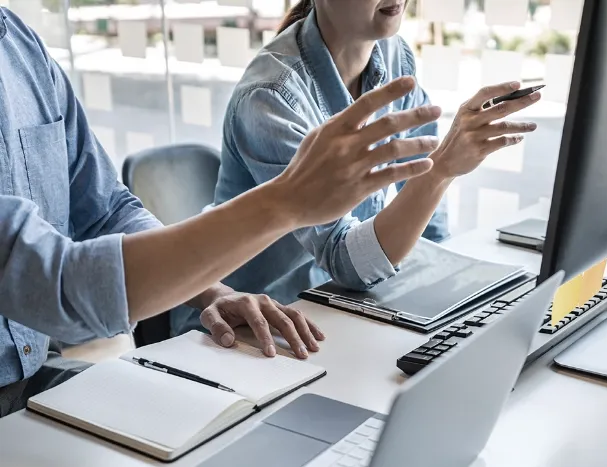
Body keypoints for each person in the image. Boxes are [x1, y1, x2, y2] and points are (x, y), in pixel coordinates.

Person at [0, 7, 441, 417]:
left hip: (38, 374)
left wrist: (213, 292)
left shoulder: (23, 50)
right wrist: (286, 201)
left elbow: (107, 209)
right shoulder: (271, 92)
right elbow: (60, 288)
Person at [174, 0, 542, 335]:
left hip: (344, 306)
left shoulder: (393, 53)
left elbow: (429, 229)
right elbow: (346, 261)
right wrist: (441, 170)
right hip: (252, 323)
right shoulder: (270, 96)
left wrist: (447, 297)